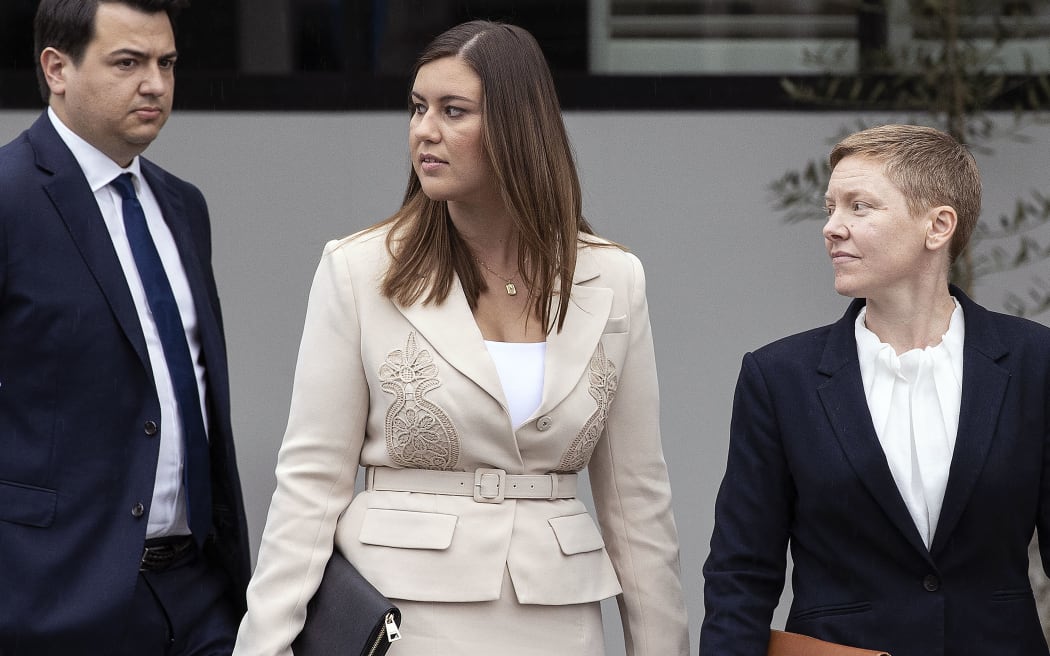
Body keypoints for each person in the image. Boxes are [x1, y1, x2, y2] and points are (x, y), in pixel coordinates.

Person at [232, 19, 689, 656]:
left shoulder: (613, 276)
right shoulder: (361, 270)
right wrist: (262, 646)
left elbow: (637, 503)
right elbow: (310, 486)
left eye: (454, 111)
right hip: (404, 616)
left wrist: (661, 646)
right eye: (418, 108)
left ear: (517, 128)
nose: (424, 130)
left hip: (558, 619)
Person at [699, 124, 1050, 656]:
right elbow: (740, 573)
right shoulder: (779, 377)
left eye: (859, 207)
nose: (832, 228)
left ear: (938, 226)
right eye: (830, 207)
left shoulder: (1035, 363)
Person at [0, 1, 250, 654]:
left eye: (166, 63)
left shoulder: (182, 206)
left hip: (200, 598)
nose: (156, 85)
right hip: (55, 605)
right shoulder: (8, 198)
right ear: (56, 68)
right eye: (128, 62)